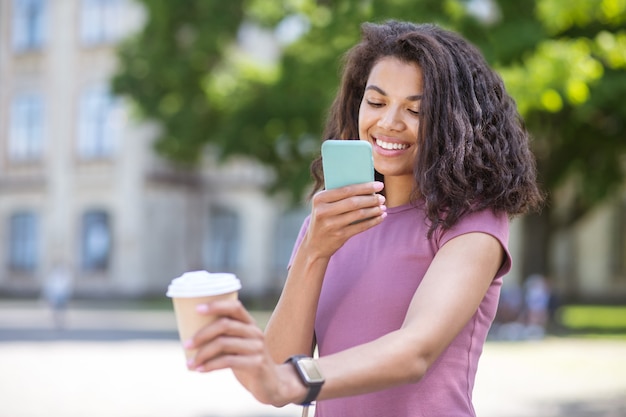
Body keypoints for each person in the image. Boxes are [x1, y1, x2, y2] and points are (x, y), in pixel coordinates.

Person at [185, 20, 544, 416]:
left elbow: (415, 352)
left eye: (416, 110)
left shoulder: (472, 223)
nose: (389, 122)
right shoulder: (328, 221)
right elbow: (275, 382)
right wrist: (314, 252)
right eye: (376, 102)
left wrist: (292, 378)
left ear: (453, 123)